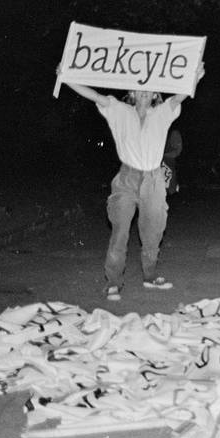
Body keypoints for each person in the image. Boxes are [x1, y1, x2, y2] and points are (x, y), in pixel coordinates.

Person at [61, 78, 197, 301]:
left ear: (155, 94)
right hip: (127, 177)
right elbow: (93, 95)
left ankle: (150, 276)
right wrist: (67, 78)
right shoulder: (118, 110)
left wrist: (195, 74)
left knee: (154, 230)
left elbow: (182, 94)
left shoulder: (163, 111)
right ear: (131, 92)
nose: (144, 92)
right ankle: (113, 282)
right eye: (139, 88)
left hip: (153, 178)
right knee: (120, 231)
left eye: (149, 89)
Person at [162, 128, 183, 195]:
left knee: (169, 182)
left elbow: (178, 150)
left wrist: (168, 155)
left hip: (167, 160)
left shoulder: (173, 133)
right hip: (157, 160)